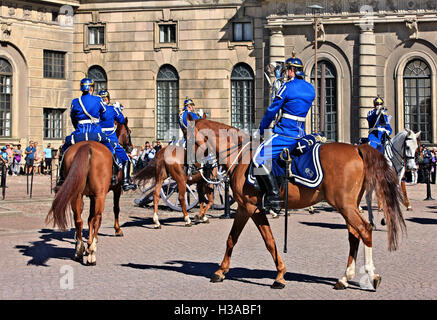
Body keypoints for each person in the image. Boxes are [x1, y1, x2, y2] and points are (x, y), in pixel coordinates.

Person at [253, 56, 315, 211]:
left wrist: (262, 130)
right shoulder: (311, 89)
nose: (286, 73)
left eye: (287, 70)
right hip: (301, 133)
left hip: (285, 133)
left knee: (258, 156)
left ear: (292, 70)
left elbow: (271, 111)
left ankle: (273, 196)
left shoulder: (287, 87)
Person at [57, 78, 113, 187]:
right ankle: (114, 173)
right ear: (92, 88)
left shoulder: (75, 101)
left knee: (65, 150)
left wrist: (78, 127)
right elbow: (105, 115)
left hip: (79, 134)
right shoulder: (98, 100)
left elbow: (73, 118)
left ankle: (62, 177)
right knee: (110, 148)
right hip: (95, 133)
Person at [99, 89, 136, 191]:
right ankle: (125, 182)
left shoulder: (95, 109)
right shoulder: (112, 109)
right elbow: (122, 120)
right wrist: (118, 109)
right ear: (108, 99)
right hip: (109, 138)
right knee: (126, 159)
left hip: (96, 137)